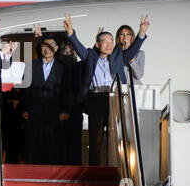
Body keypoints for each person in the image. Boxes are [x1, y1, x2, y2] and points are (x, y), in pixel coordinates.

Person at [63, 14, 150, 165]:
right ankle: (94, 170)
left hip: (114, 98)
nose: (109, 44)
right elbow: (78, 47)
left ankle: (114, 167)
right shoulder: (90, 55)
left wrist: (141, 33)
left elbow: (134, 48)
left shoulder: (118, 55)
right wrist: (70, 32)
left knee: (114, 136)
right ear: (97, 44)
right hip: (95, 99)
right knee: (95, 138)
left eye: (111, 41)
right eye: (105, 41)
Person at [22, 33, 71, 165]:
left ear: (56, 49)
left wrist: (65, 110)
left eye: (50, 46)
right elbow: (26, 88)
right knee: (35, 144)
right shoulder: (31, 65)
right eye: (44, 46)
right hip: (35, 111)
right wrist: (25, 108)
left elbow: (66, 90)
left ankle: (52, 175)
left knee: (53, 144)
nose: (47, 49)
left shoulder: (63, 68)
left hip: (55, 112)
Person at [59, 41, 84, 165]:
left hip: (76, 109)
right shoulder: (59, 67)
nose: (68, 54)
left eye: (71, 51)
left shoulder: (79, 67)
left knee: (75, 141)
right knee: (61, 141)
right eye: (66, 51)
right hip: (60, 109)